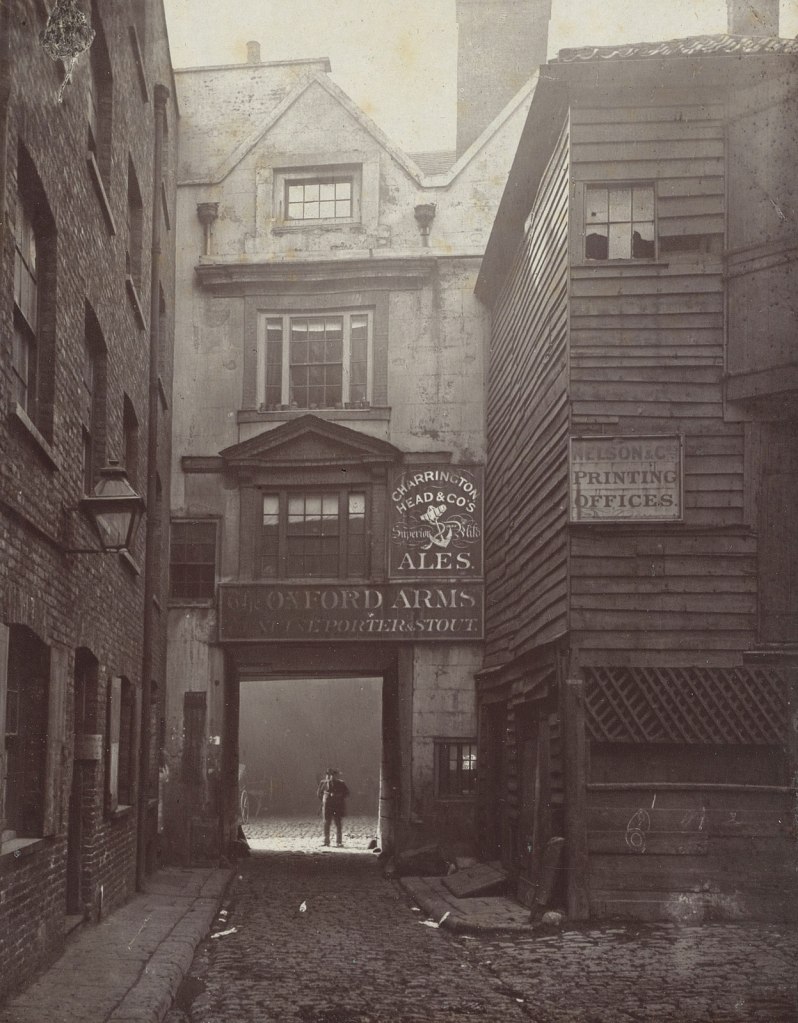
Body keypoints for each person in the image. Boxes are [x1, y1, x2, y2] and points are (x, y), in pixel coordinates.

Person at [317, 768, 349, 847]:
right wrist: (324, 799)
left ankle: (339, 841)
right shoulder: (323, 783)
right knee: (326, 823)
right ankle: (326, 841)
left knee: (338, 824)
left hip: (337, 806)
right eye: (329, 775)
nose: (331, 776)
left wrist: (339, 796)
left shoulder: (341, 783)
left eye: (333, 775)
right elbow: (319, 793)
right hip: (327, 806)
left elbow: (347, 793)